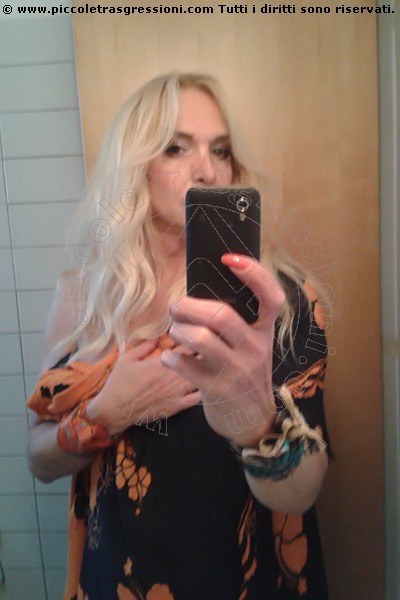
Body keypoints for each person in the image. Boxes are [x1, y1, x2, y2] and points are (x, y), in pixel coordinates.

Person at [27, 73, 330, 599]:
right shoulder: (84, 299)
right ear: (134, 166)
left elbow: (304, 491)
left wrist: (253, 422)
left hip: (239, 578)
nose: (207, 170)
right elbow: (38, 458)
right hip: (117, 576)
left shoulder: (279, 302)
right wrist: (107, 412)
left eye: (221, 150)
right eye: (175, 148)